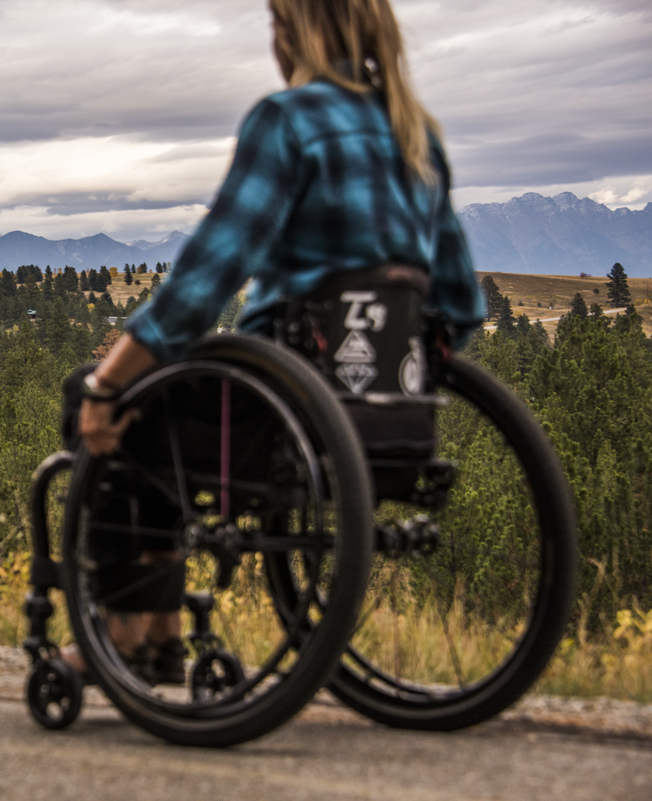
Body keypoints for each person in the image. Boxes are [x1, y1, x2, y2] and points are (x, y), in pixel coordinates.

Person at [61, 0, 485, 680]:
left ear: (294, 32)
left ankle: (128, 628)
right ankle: (163, 636)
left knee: (109, 401)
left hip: (271, 417)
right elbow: (459, 307)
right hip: (391, 425)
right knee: (154, 416)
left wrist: (107, 380)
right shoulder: (417, 137)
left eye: (275, 29)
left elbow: (205, 281)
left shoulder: (288, 123)